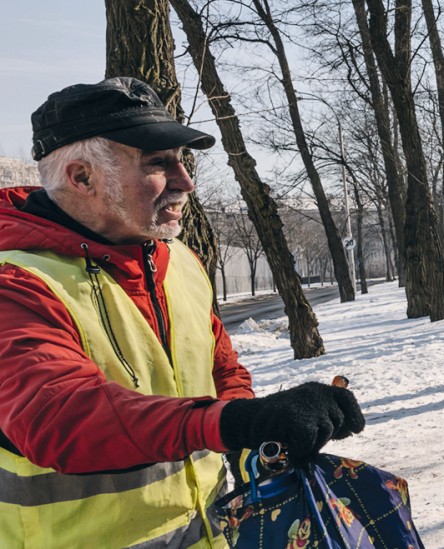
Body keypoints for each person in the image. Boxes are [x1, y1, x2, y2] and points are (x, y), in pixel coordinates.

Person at [0, 77, 365, 547]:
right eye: (158, 164)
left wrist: (255, 432)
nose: (185, 182)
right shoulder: (17, 282)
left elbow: (219, 365)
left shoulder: (179, 260)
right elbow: (60, 418)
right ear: (82, 177)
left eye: (182, 161)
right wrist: (229, 423)